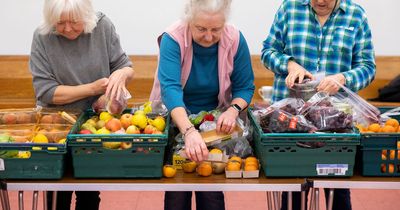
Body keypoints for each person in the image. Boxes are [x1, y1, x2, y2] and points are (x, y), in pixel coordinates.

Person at [261, 0, 375, 210]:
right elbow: (268, 52)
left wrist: (343, 78)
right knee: (292, 186)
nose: (320, 1)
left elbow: (367, 67)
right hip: (290, 119)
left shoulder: (356, 15)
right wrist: (289, 64)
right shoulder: (289, 8)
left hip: (335, 121)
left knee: (337, 187)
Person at [29, 0, 134, 209]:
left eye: (74, 22)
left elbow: (125, 66)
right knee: (57, 194)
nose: (67, 28)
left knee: (89, 192)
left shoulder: (102, 26)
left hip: (93, 124)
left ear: (86, 16)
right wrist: (93, 89)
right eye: (60, 23)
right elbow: (47, 92)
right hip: (55, 126)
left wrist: (121, 74)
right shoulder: (42, 36)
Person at [150, 0, 254, 209]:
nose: (208, 36)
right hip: (176, 118)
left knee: (211, 191)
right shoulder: (173, 38)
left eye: (216, 29)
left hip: (214, 125)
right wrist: (188, 131)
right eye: (201, 29)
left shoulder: (234, 38)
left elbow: (245, 87)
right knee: (178, 191)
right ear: (189, 20)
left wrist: (233, 111)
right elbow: (170, 89)